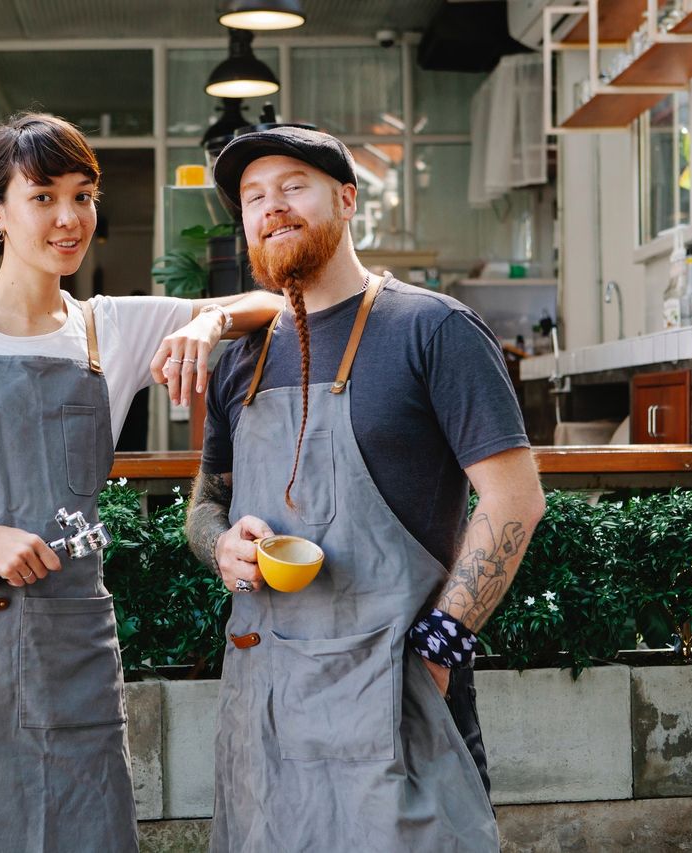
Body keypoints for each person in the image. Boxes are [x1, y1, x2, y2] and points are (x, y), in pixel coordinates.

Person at [0, 112, 282, 853]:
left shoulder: (111, 327)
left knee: (82, 821)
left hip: (73, 630)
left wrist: (205, 326)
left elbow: (267, 306)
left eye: (83, 194)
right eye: (43, 196)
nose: (70, 218)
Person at [185, 126, 547, 851]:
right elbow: (204, 503)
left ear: (347, 198)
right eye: (254, 197)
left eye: (293, 186)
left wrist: (442, 646)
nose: (271, 207)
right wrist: (217, 544)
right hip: (267, 702)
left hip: (393, 694)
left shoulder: (432, 330)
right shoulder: (239, 360)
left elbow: (515, 499)